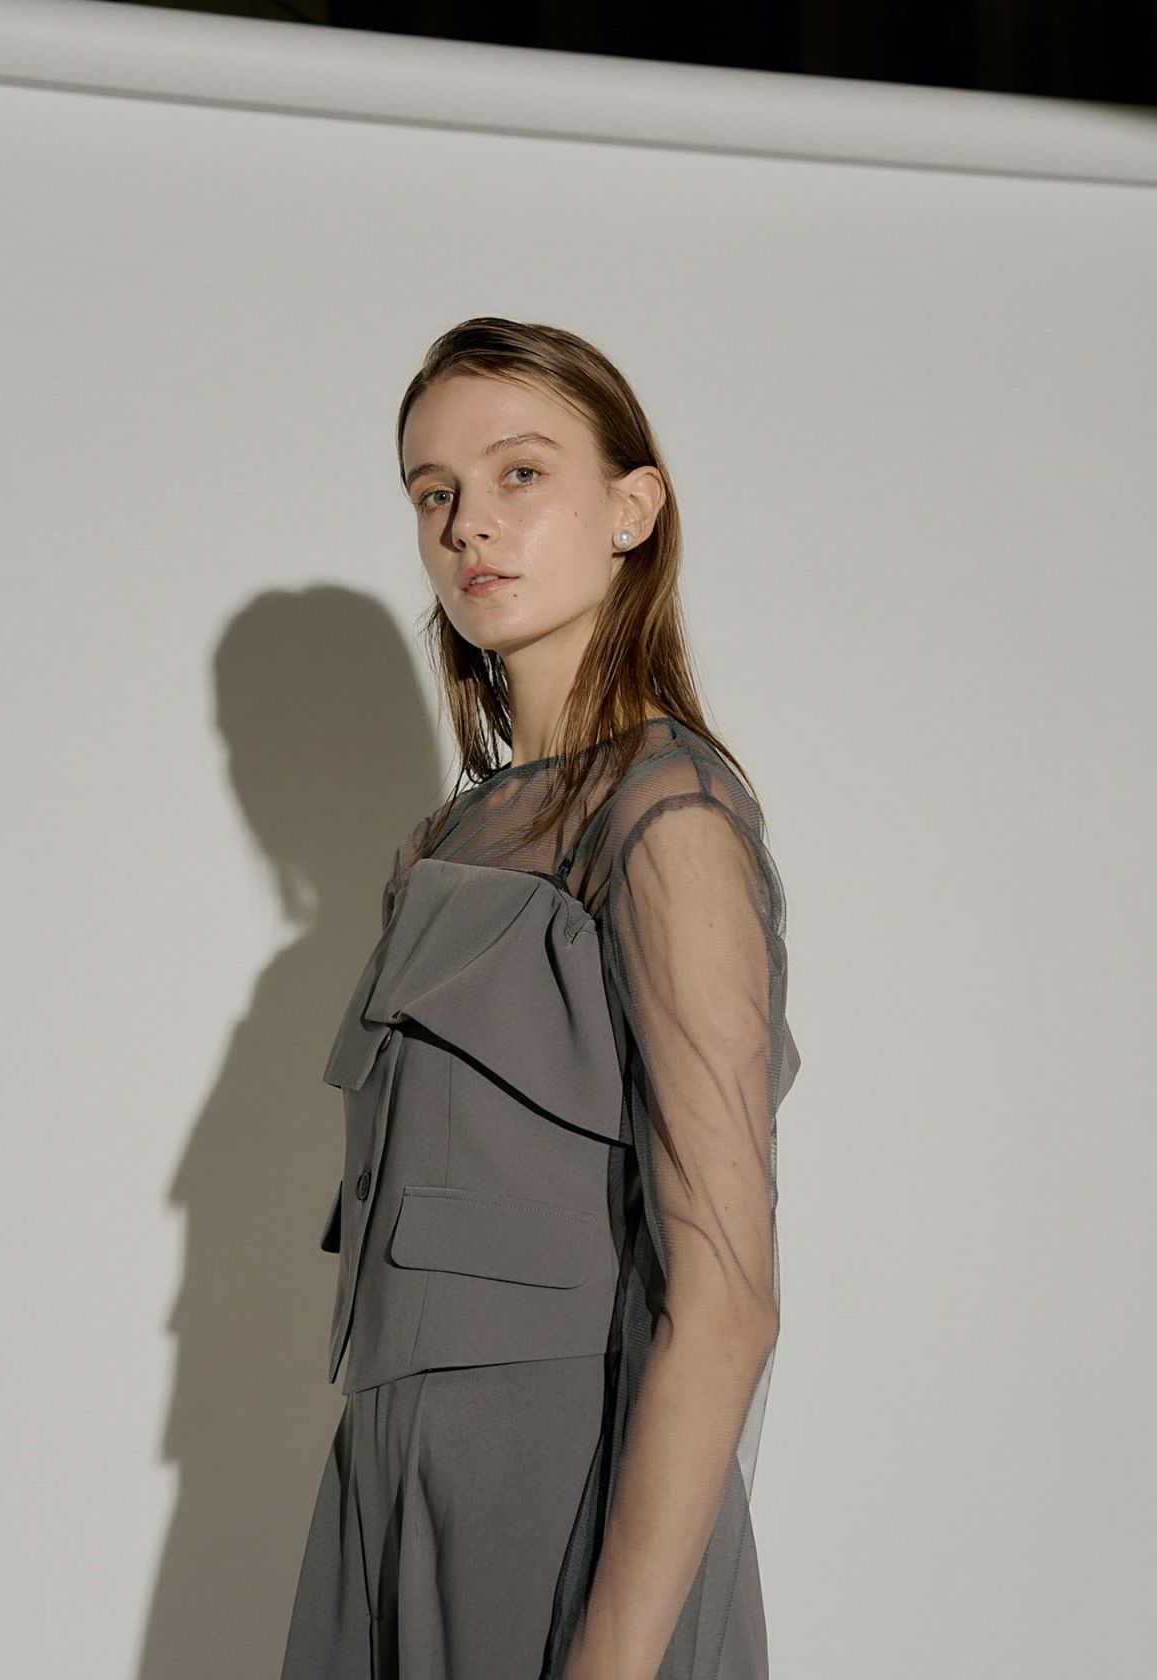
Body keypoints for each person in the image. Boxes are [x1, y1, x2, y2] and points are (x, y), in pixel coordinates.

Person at [280, 316, 801, 1680]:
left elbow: (729, 1300)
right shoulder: (442, 846)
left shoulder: (670, 819)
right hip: (391, 1485)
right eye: (433, 492)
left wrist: (610, 1663)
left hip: (564, 1494)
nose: (469, 524)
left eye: (520, 474)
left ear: (634, 508)